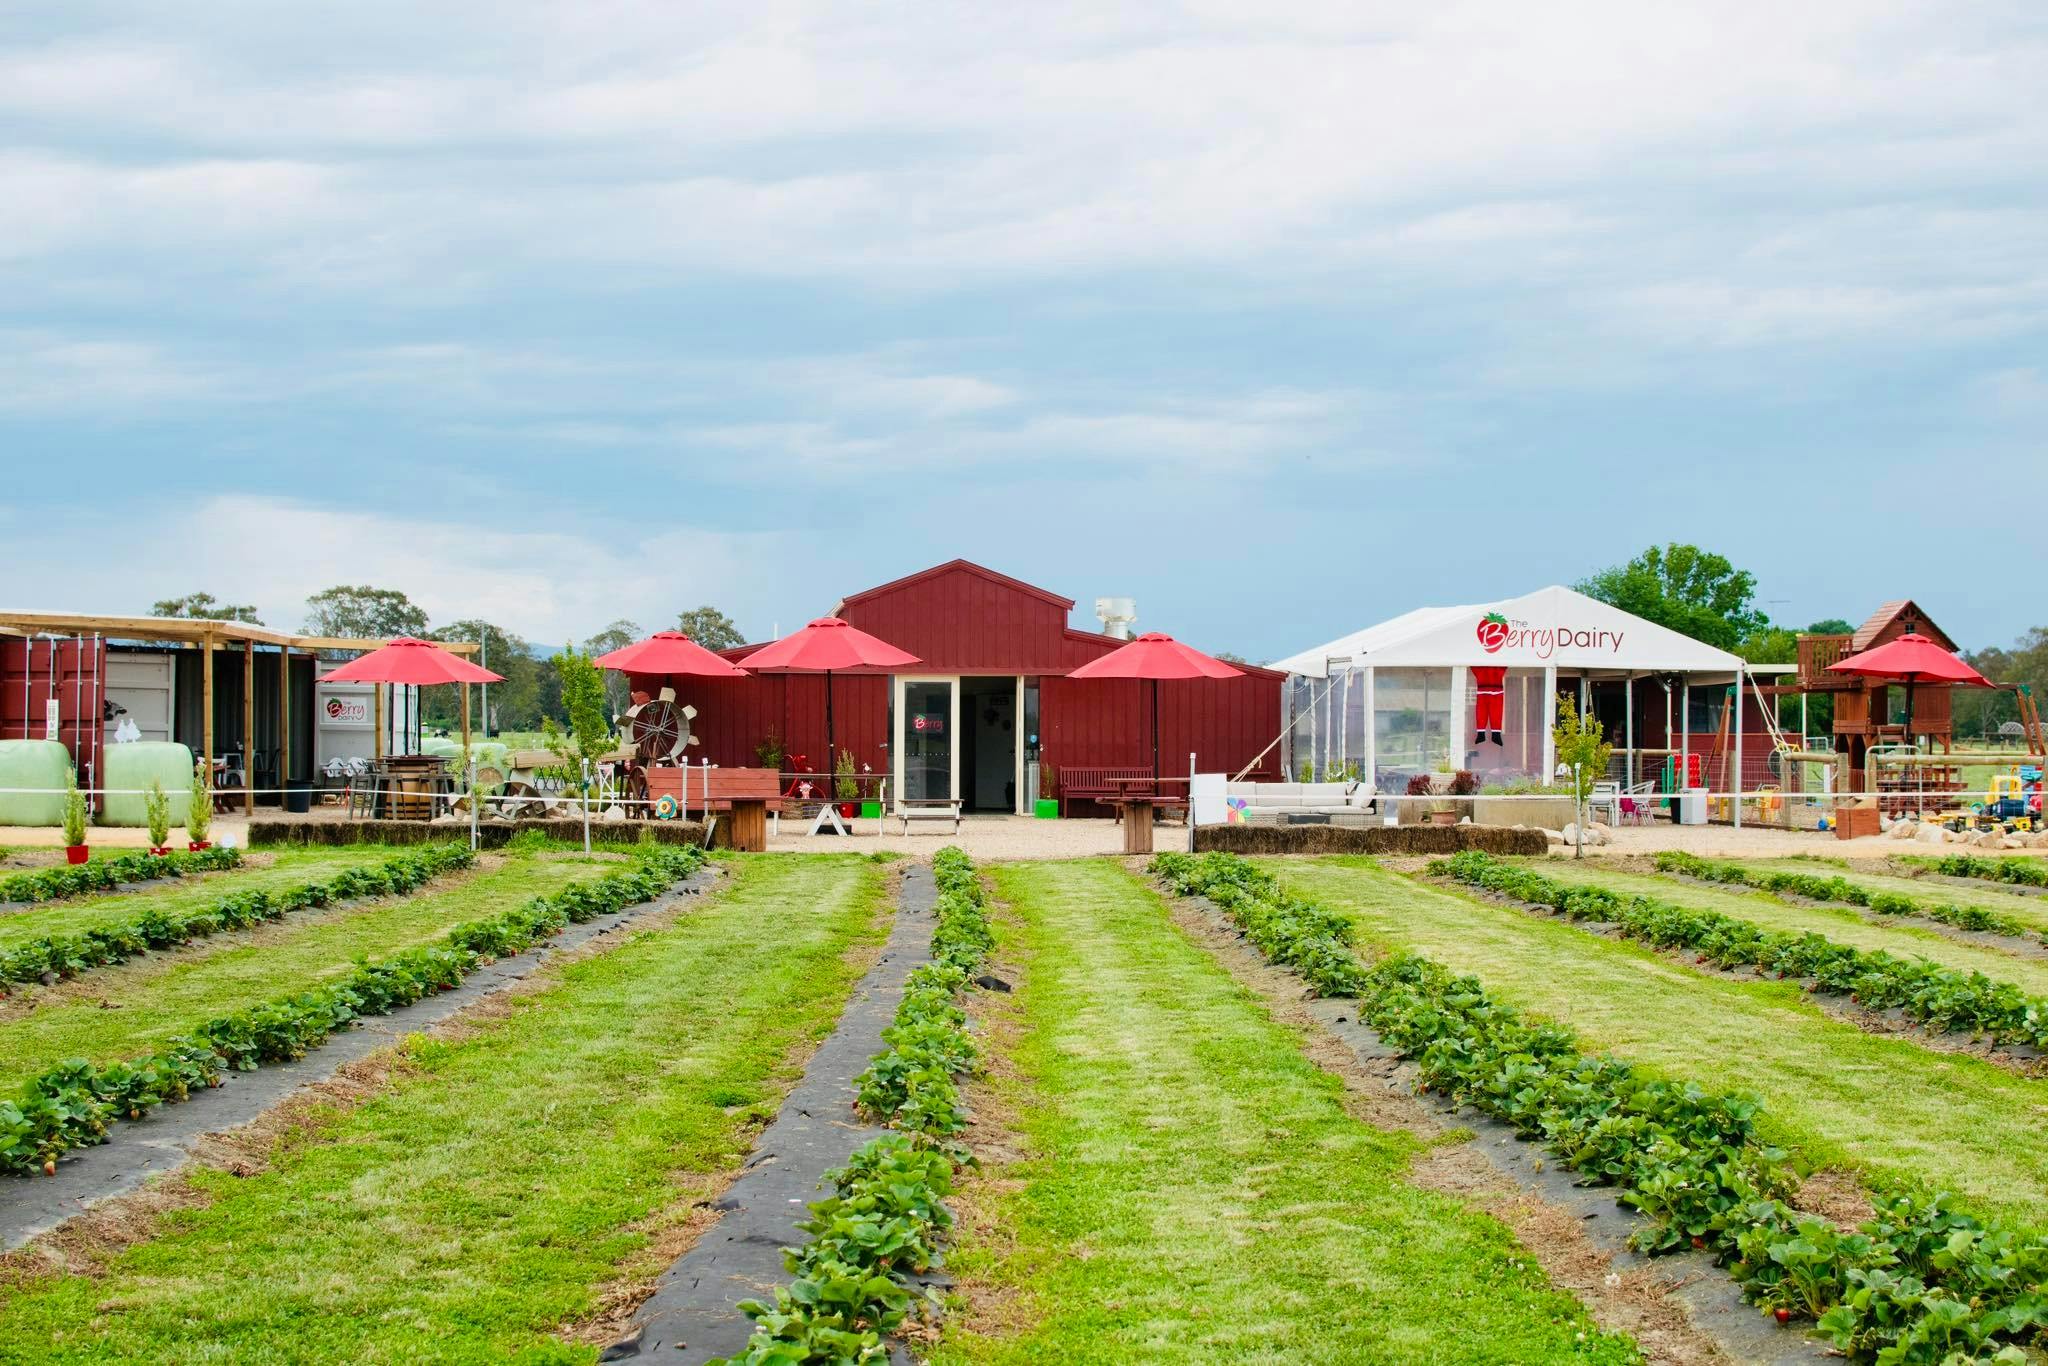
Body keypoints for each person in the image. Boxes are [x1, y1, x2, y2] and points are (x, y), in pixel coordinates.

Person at [1472, 665, 1506, 747]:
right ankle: (1485, 734)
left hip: (1488, 688)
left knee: (1492, 712)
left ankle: (1492, 734)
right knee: (1484, 711)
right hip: (1490, 688)